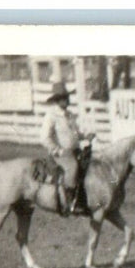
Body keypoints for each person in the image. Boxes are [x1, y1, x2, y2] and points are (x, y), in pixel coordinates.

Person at [39, 81, 93, 216]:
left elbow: (75, 134)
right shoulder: (51, 116)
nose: (68, 100)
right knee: (73, 167)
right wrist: (57, 150)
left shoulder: (69, 115)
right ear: (58, 100)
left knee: (89, 164)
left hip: (74, 151)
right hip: (61, 153)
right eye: (64, 98)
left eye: (67, 97)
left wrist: (85, 136)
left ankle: (84, 198)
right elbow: (45, 138)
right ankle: (70, 203)